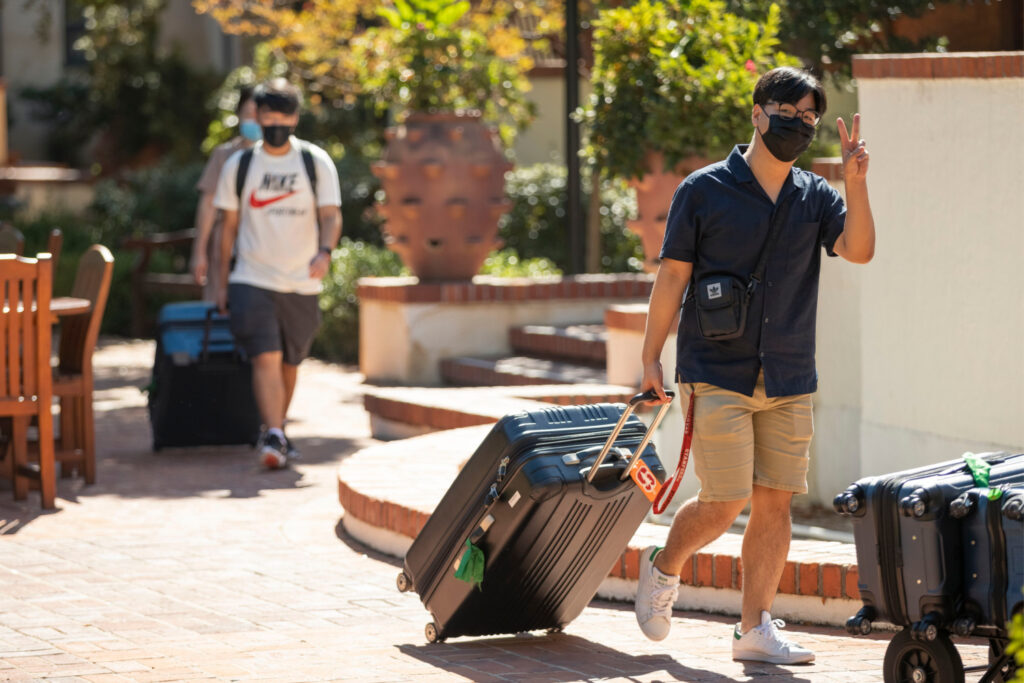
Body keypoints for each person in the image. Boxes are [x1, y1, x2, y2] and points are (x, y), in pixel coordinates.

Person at [634, 66, 875, 664]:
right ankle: (664, 567)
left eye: (810, 118)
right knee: (725, 498)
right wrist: (649, 358)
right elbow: (672, 276)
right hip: (716, 368)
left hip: (790, 371)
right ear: (757, 112)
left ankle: (753, 630)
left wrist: (855, 183)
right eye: (788, 113)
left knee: (775, 501)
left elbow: (861, 250)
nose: (799, 125)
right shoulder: (704, 189)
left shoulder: (816, 196)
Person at [212, 78, 342, 469]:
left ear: (295, 118)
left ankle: (276, 430)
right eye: (268, 115)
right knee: (265, 356)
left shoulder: (315, 162)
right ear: (258, 116)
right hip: (252, 277)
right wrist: (220, 282)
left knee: (290, 361)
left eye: (283, 115)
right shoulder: (241, 165)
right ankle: (273, 432)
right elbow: (227, 228)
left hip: (302, 280)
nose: (275, 122)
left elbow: (331, 215)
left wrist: (326, 250)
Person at [191, 86, 262, 300]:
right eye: (248, 114)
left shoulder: (283, 159)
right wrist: (199, 251)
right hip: (226, 249)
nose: (254, 120)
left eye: (259, 114)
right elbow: (208, 205)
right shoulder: (225, 155)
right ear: (239, 115)